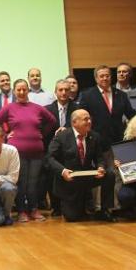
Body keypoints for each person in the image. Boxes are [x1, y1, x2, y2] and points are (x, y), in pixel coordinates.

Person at [0, 79, 56, 222]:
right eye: (18, 90)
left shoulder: (37, 108)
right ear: (14, 91)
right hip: (17, 152)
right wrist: (5, 135)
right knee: (21, 182)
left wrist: (42, 134)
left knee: (34, 183)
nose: (21, 92)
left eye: (24, 89)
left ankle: (33, 209)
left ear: (28, 91)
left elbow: (52, 120)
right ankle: (21, 211)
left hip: (36, 152)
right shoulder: (9, 108)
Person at [47, 109, 116, 222]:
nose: (89, 121)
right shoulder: (62, 136)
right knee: (73, 217)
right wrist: (63, 171)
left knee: (109, 174)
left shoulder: (95, 136)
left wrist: (101, 167)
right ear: (74, 122)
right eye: (85, 119)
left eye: (89, 119)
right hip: (69, 181)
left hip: (87, 177)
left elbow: (100, 158)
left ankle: (105, 210)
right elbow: (50, 158)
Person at [44, 79, 79, 216]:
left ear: (70, 91)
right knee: (52, 176)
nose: (64, 92)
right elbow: (42, 130)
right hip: (52, 149)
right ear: (55, 92)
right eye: (60, 90)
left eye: (66, 90)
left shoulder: (77, 108)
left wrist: (68, 130)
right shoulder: (47, 109)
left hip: (72, 149)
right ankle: (56, 207)